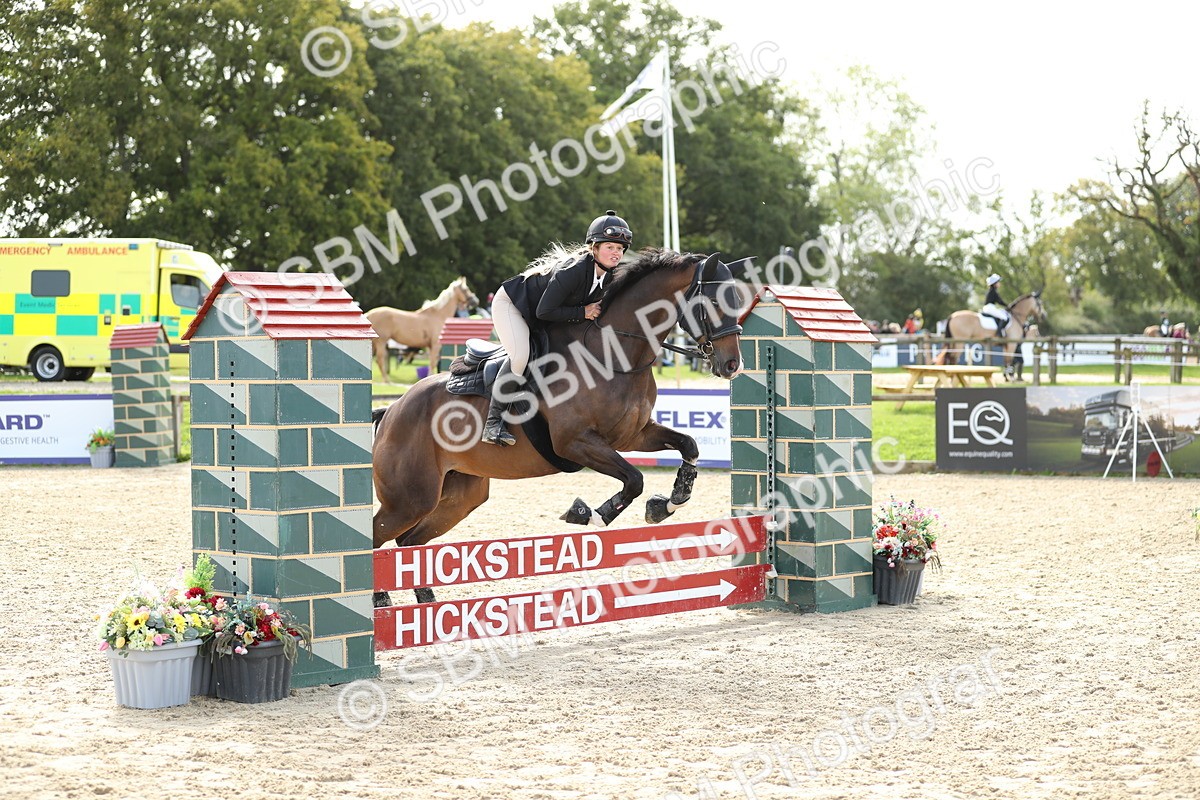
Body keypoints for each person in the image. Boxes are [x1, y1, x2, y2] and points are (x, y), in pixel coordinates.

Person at [481, 210, 632, 446]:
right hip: (513, 305)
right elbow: (544, 311)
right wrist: (583, 312)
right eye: (610, 247)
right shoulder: (574, 270)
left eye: (620, 249)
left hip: (542, 314)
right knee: (520, 356)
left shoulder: (609, 277)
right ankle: (492, 424)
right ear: (594, 248)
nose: (616, 253)